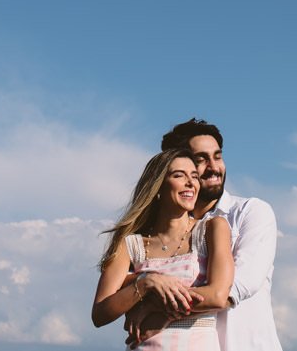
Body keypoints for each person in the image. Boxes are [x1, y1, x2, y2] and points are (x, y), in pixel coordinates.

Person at [130, 119, 284, 351]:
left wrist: (161, 309)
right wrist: (148, 282)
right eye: (201, 159)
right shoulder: (159, 233)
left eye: (217, 156)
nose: (214, 167)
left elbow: (239, 285)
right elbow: (120, 287)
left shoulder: (250, 212)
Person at [93, 148, 234, 350]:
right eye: (179, 175)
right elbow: (100, 313)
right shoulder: (131, 244)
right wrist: (146, 283)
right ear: (158, 187)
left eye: (194, 176)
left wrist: (155, 307)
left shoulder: (212, 228)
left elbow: (218, 296)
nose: (191, 183)